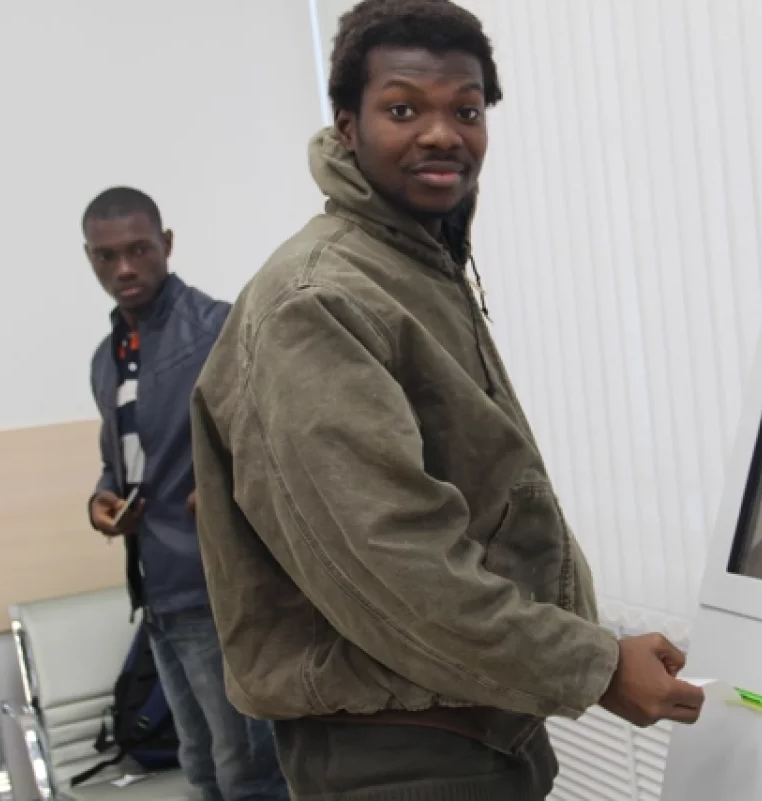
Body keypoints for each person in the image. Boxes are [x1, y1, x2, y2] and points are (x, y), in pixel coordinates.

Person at [191, 1, 704, 798]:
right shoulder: (318, 300)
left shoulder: (413, 263)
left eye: (465, 110)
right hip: (399, 756)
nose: (442, 134)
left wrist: (589, 645)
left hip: (470, 728)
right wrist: (598, 666)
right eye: (403, 109)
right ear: (347, 124)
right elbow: (396, 566)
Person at [83, 187, 288, 801]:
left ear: (166, 245)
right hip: (158, 592)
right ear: (90, 259)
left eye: (139, 249)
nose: (124, 268)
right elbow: (122, 458)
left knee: (247, 773)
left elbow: (278, 435)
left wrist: (228, 485)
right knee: (198, 767)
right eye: (107, 256)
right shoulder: (107, 359)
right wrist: (102, 499)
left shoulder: (216, 329)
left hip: (217, 584)